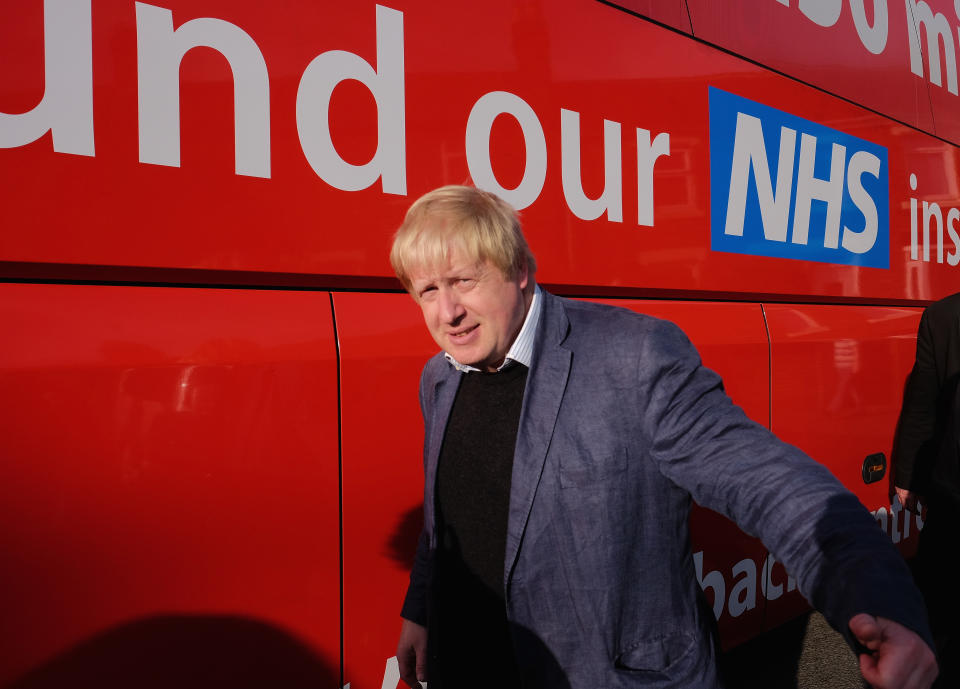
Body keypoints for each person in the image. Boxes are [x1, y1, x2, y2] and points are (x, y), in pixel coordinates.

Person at [391, 185, 937, 689]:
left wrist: (877, 596)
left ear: (520, 270)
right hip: (470, 666)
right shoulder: (438, 378)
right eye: (428, 290)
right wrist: (421, 609)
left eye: (464, 280)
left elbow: (772, 485)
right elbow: (447, 517)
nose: (448, 313)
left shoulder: (634, 356)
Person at [894, 291, 960, 688]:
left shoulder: (942, 315)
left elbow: (922, 403)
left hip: (951, 492)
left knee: (938, 608)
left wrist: (908, 479)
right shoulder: (940, 315)